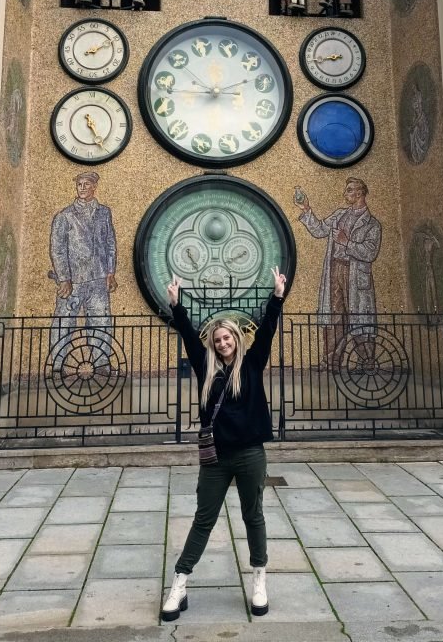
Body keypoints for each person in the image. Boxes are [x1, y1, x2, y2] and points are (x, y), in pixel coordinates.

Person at [161, 266, 287, 622]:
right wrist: (177, 304)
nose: (223, 343)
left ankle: (259, 579)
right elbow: (186, 333)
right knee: (204, 519)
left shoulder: (252, 364)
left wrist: (277, 296)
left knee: (253, 516)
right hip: (215, 458)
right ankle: (180, 582)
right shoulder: (206, 367)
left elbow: (267, 330)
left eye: (227, 338)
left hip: (249, 454)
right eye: (217, 339)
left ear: (236, 338)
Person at [295, 179, 381, 367]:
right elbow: (319, 230)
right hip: (334, 269)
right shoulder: (340, 215)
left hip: (355, 274)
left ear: (359, 193)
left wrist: (347, 243)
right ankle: (330, 361)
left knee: (359, 316)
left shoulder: (372, 224)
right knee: (334, 315)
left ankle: (366, 362)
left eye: (349, 190)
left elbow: (370, 253)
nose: (345, 193)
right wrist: (306, 209)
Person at [49, 172, 117, 350]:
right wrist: (64, 278)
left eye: (87, 184)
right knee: (64, 323)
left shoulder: (104, 212)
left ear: (94, 187)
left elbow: (110, 243)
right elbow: (58, 249)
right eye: (80, 184)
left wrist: (110, 273)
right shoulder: (65, 216)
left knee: (101, 322)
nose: (83, 187)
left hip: (98, 279)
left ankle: (101, 362)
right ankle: (57, 364)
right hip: (74, 281)